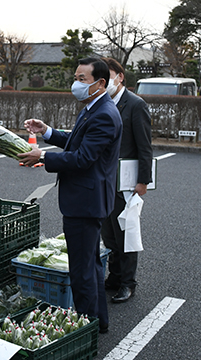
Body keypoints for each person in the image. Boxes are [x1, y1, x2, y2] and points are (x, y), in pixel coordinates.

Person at [18, 57, 123, 334]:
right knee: (89, 266)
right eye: (75, 77)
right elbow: (78, 141)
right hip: (87, 200)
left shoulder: (104, 114)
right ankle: (97, 322)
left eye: (82, 79)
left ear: (100, 83)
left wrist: (43, 156)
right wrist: (48, 132)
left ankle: (85, 328)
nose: (76, 84)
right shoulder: (94, 107)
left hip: (86, 203)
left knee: (81, 271)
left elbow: (83, 158)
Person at [100, 57, 152, 303]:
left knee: (126, 233)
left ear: (120, 77)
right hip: (104, 179)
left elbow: (145, 147)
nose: (104, 81)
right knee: (108, 232)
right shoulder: (101, 102)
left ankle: (128, 283)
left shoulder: (135, 105)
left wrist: (143, 181)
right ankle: (115, 276)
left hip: (127, 180)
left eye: (108, 75)